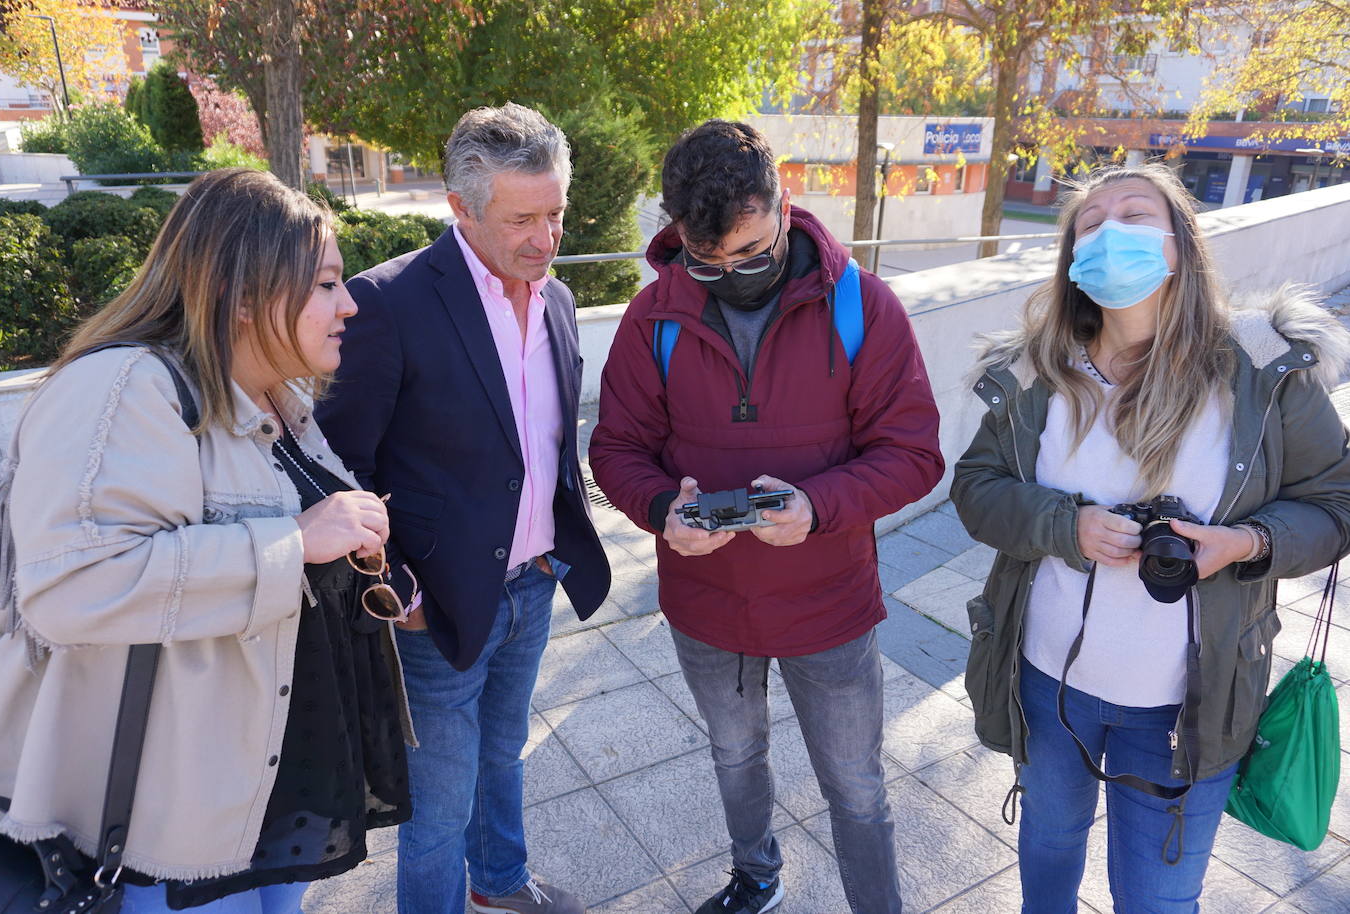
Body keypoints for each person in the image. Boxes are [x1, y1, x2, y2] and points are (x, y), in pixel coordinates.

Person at [0, 167, 413, 913]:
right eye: (326, 286)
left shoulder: (275, 394)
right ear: (243, 297)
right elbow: (69, 588)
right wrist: (293, 542)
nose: (349, 305)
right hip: (178, 814)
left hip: (274, 775)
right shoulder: (125, 389)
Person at [951, 163, 1350, 913]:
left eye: (1134, 213)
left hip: (1187, 710)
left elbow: (1337, 502)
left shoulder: (1264, 368)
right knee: (1047, 852)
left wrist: (1248, 543)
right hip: (1048, 686)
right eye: (1090, 224)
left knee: (1158, 900)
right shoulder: (1035, 371)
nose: (1109, 233)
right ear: (1071, 257)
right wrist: (1063, 525)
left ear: (1179, 245)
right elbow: (975, 490)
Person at [589, 120, 943, 914]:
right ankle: (757, 878)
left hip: (831, 607)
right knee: (734, 755)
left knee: (855, 784)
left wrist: (818, 507)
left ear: (785, 200)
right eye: (708, 264)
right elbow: (615, 447)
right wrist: (657, 509)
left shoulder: (864, 307)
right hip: (707, 606)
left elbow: (915, 453)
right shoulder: (653, 319)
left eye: (752, 253)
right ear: (678, 233)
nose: (732, 275)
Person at [314, 103, 611, 914]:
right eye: (522, 219)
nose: (545, 238)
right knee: (438, 809)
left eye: (555, 214)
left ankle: (501, 883)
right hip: (436, 605)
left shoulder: (558, 298)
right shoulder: (387, 304)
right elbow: (339, 468)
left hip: (535, 584)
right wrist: (399, 590)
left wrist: (556, 546)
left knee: (505, 752)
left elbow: (545, 444)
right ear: (460, 208)